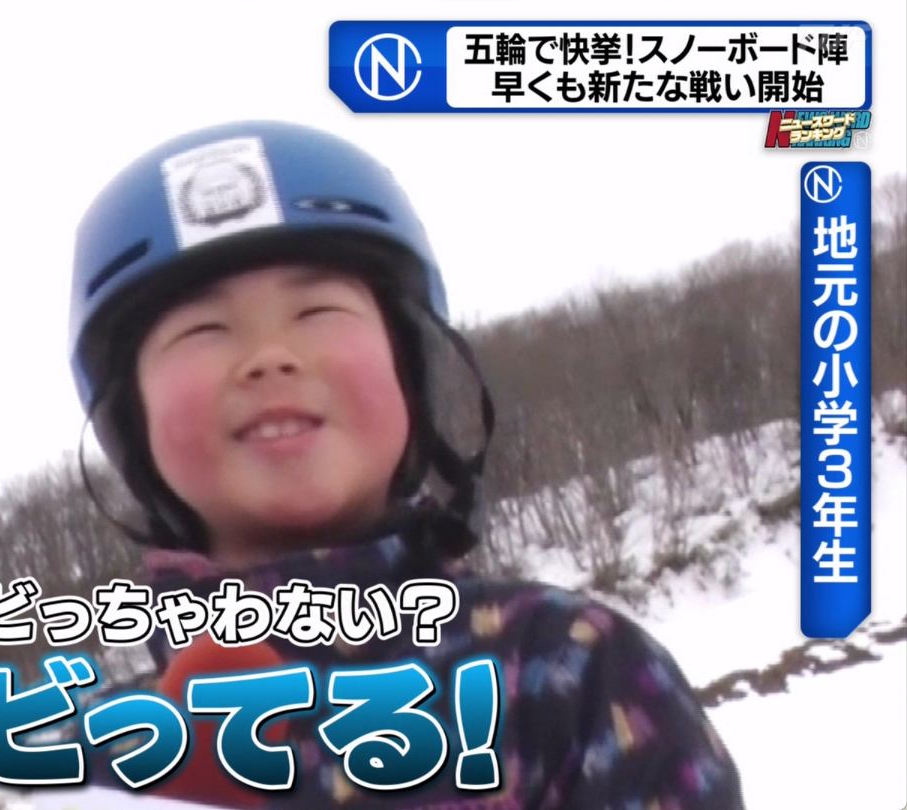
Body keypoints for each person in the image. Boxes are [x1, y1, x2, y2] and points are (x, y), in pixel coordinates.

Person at [65, 121, 744, 807]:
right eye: (203, 330)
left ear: (409, 368)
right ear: (132, 422)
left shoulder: (566, 668)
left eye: (317, 310)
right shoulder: (98, 758)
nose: (269, 357)